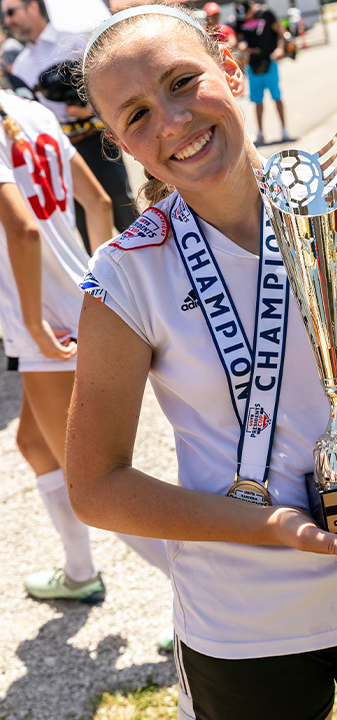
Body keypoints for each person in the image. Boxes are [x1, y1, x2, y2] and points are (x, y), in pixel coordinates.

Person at [67, 5, 337, 719]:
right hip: (242, 624)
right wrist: (274, 528)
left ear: (232, 70)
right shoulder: (124, 276)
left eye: (184, 81)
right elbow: (95, 486)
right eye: (138, 115)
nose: (173, 120)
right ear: (119, 145)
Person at [0, 83, 172, 629]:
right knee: (34, 444)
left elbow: (24, 232)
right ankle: (79, 572)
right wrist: (101, 284)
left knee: (95, 480)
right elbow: (97, 202)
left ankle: (200, 593)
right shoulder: (30, 111)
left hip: (44, 322)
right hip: (71, 303)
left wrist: (32, 323)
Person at [1, 0, 138, 254]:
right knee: (86, 227)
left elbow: (114, 85)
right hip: (61, 153)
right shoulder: (19, 65)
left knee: (126, 213)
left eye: (11, 12)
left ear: (32, 6)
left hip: (98, 140)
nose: (7, 21)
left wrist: (92, 106)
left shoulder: (76, 41)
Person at [235, 0, 290, 145]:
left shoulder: (266, 14)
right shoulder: (240, 20)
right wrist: (242, 46)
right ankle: (260, 132)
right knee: (257, 101)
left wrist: (280, 48)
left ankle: (284, 129)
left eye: (246, 13)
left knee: (276, 97)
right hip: (252, 66)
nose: (245, 17)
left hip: (270, 61)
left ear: (252, 6)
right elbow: (239, 40)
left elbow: (280, 32)